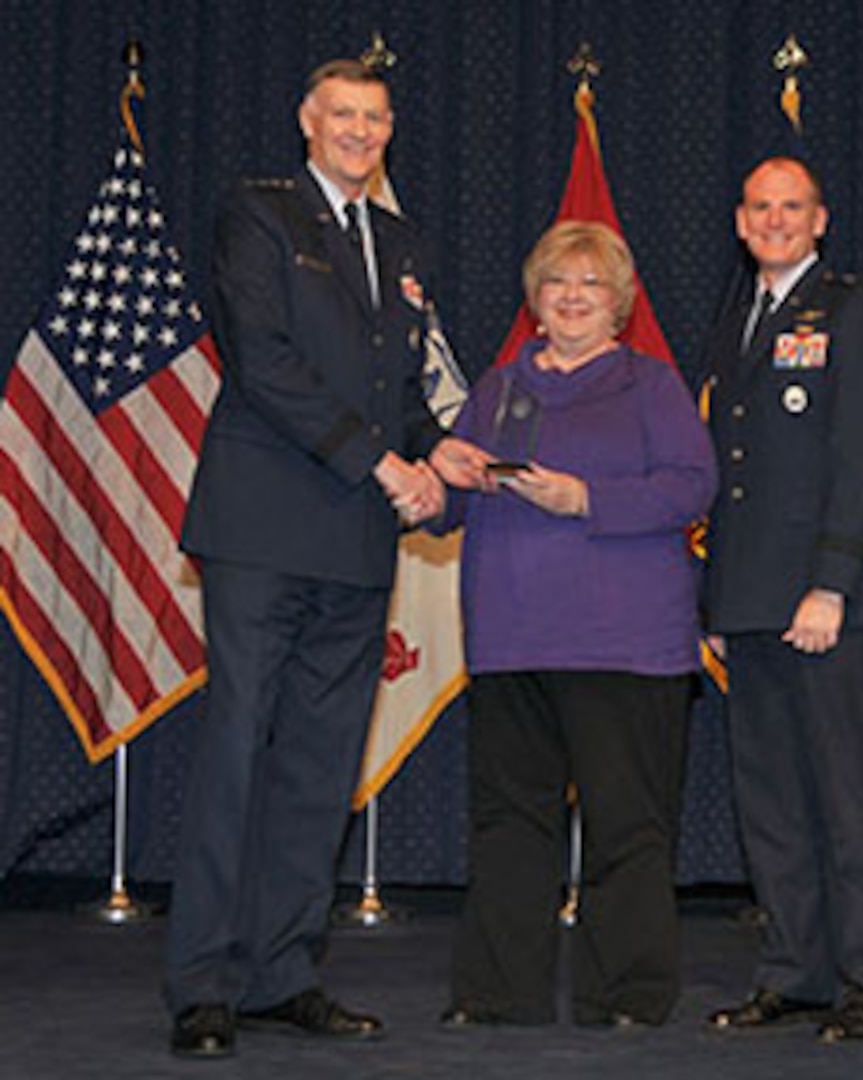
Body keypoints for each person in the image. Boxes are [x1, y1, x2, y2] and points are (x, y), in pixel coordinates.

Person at [165, 58, 491, 1059]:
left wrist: (438, 445)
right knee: (236, 756)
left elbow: (395, 379)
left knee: (318, 767)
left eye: (375, 119)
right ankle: (204, 986)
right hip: (264, 528)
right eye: (342, 115)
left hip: (355, 540)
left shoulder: (397, 240)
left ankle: (282, 971)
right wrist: (385, 462)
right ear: (307, 122)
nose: (359, 132)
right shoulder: (256, 215)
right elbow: (263, 362)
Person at [437, 221, 715, 1028]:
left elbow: (691, 487)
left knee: (626, 827)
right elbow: (451, 500)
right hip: (510, 641)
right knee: (507, 824)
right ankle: (496, 993)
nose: (571, 298)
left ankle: (626, 993)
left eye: (589, 286)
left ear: (618, 304)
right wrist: (433, 481)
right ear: (535, 299)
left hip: (626, 647)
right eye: (558, 283)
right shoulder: (495, 390)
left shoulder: (651, 385)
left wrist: (586, 500)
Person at [701, 156, 863, 1042]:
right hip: (748, 597)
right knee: (772, 801)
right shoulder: (735, 314)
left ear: (819, 220)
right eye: (760, 208)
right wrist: (716, 602)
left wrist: (831, 581)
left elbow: (861, 453)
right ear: (742, 221)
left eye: (792, 208)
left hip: (827, 601)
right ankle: (795, 970)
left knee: (845, 796)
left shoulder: (851, 308)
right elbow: (731, 470)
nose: (775, 221)